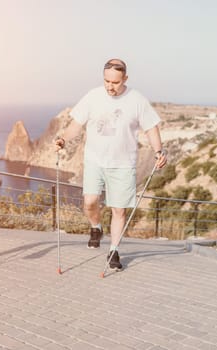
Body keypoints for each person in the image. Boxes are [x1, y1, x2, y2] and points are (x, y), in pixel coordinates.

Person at [55, 58, 167, 271]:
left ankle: (113, 251)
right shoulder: (93, 96)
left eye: (115, 82)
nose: (110, 86)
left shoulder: (137, 100)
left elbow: (152, 128)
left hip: (123, 165)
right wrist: (63, 139)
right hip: (94, 161)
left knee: (119, 210)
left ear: (125, 78)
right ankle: (96, 227)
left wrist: (158, 151)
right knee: (90, 202)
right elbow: (76, 125)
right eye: (107, 81)